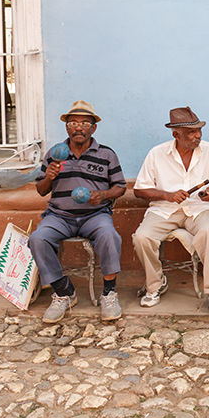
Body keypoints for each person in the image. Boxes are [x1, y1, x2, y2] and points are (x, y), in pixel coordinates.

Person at [29, 100, 126, 323]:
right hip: (59, 215)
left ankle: (109, 293)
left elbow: (120, 187)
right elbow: (41, 190)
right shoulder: (55, 153)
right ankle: (64, 292)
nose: (78, 127)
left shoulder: (106, 154)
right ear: (66, 127)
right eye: (73, 123)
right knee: (38, 238)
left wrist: (102, 195)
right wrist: (50, 176)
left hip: (96, 215)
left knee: (109, 235)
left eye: (84, 123)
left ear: (94, 127)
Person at [132, 107, 209, 313]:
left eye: (199, 131)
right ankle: (156, 285)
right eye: (191, 133)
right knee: (142, 237)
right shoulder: (156, 154)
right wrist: (166, 195)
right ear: (175, 134)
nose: (197, 136)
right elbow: (139, 190)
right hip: (164, 210)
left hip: (198, 209)